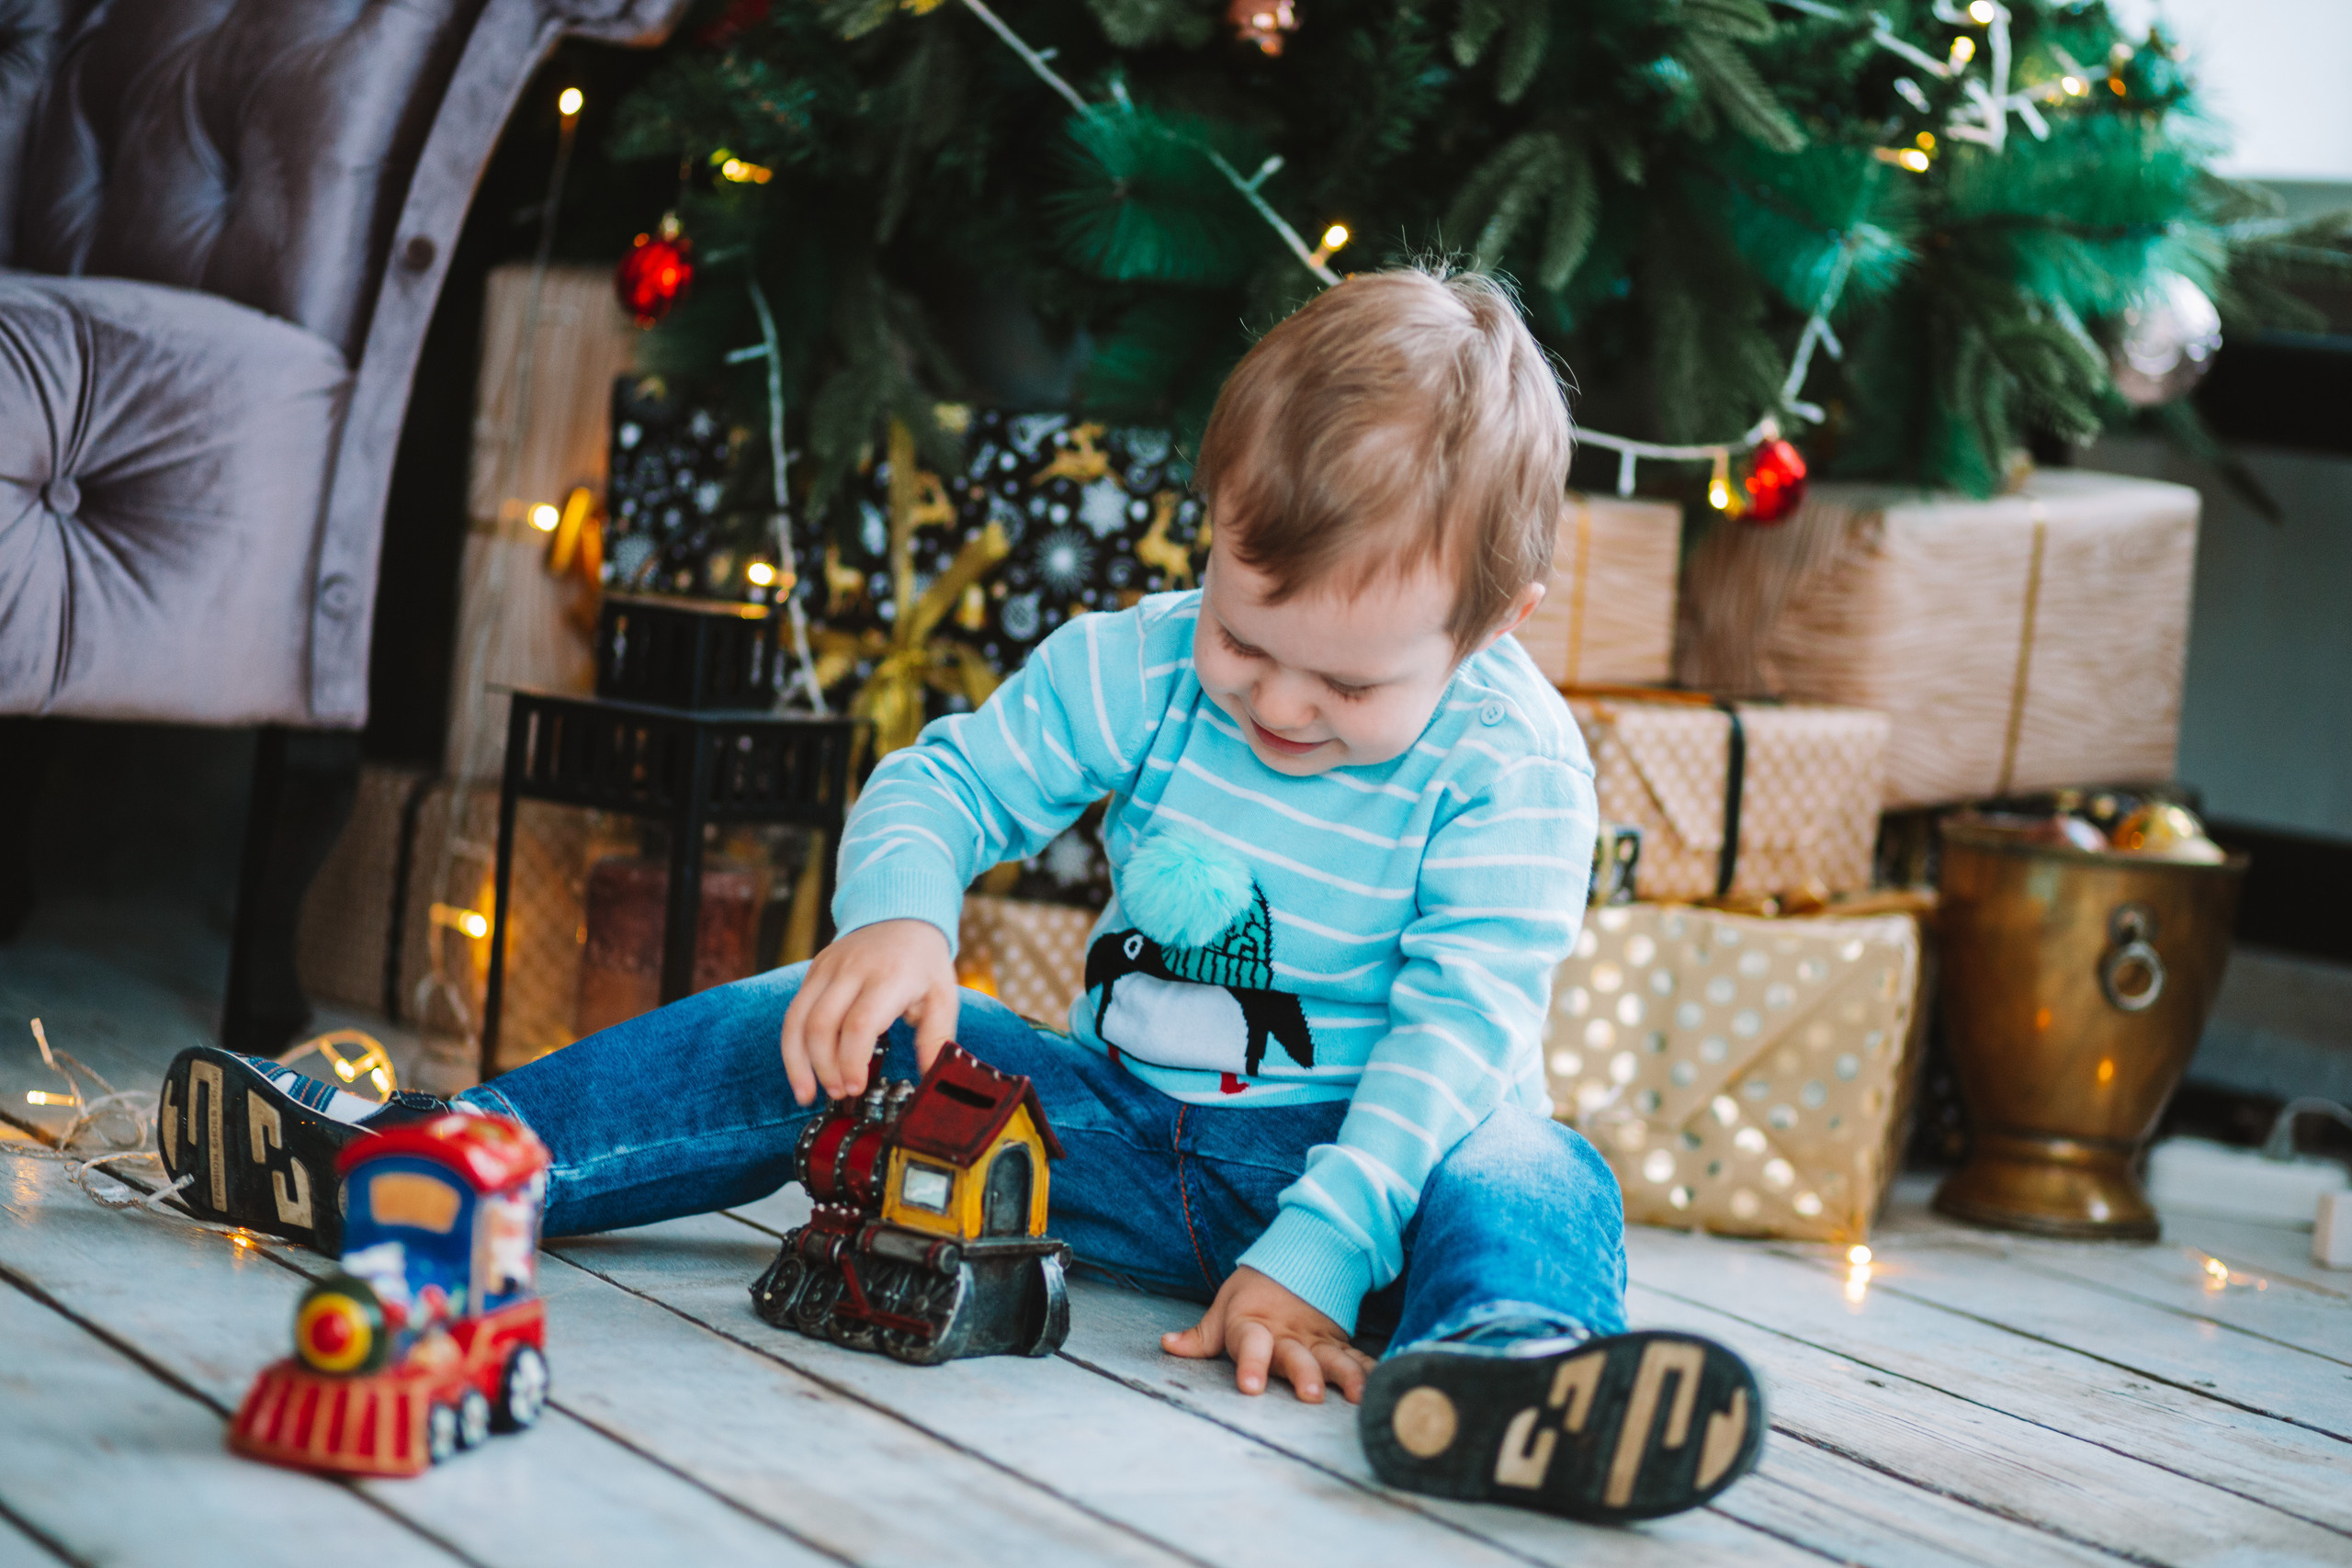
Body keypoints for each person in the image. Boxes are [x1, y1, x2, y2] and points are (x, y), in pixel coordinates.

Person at [161, 266, 1762, 1523]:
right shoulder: (1139, 665)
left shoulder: (1510, 767)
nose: (1277, 705)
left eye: (1344, 684)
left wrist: (1322, 1256)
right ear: (1212, 534)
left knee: (1534, 1166)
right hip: (1125, 1138)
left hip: (1383, 1176)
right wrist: (902, 920)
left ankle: (1501, 1380)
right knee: (818, 1024)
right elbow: (946, 782)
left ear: (1494, 625)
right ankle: (443, 1161)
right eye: (1247, 639)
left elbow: (1456, 1036)